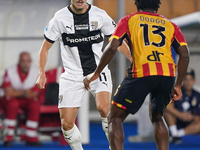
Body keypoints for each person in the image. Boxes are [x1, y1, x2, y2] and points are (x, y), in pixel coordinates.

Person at [83, 0, 190, 150]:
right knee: (158, 116)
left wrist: (96, 73)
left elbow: (113, 46)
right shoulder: (170, 25)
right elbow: (184, 54)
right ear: (157, 4)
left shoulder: (128, 20)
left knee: (114, 118)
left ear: (137, 4)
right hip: (167, 75)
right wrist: (178, 85)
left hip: (142, 73)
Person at [36, 0, 130, 149]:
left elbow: (117, 41)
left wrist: (133, 60)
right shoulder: (60, 18)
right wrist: (41, 73)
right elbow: (45, 47)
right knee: (66, 125)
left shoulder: (100, 15)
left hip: (98, 71)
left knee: (105, 109)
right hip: (72, 75)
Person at [1, 52, 41, 146]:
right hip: (8, 100)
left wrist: (15, 92)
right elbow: (8, 92)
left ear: (31, 61)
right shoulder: (10, 71)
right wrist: (24, 92)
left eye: (27, 61)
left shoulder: (36, 72)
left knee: (35, 104)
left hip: (24, 99)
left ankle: (30, 135)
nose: (25, 64)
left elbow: (35, 93)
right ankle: (9, 135)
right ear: (19, 61)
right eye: (23, 61)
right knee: (12, 103)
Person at [165, 68, 200, 144]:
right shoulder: (175, 92)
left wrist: (192, 117)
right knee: (166, 110)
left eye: (190, 80)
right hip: (175, 121)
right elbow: (165, 104)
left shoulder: (198, 96)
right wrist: (180, 115)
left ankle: (177, 135)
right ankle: (173, 132)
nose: (188, 82)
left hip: (189, 124)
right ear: (182, 81)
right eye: (186, 79)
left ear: (194, 81)